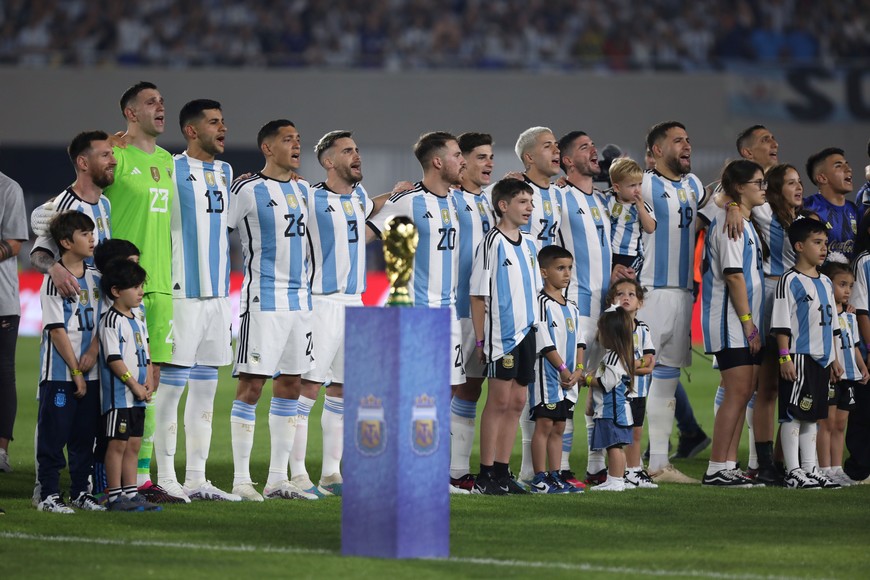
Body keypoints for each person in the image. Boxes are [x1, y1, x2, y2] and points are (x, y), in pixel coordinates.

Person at [152, 99, 239, 503]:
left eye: (223, 122)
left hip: (219, 297)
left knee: (206, 391)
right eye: (214, 123)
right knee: (170, 390)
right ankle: (165, 477)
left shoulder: (225, 171)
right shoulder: (169, 168)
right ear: (191, 130)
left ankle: (196, 478)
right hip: (181, 294)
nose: (223, 129)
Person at [227, 119, 317, 502]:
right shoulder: (248, 189)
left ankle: (278, 478)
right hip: (263, 300)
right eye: (287, 139)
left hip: (300, 303)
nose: (296, 145)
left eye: (298, 138)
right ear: (267, 148)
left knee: (292, 386)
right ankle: (241, 480)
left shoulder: (304, 190)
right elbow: (219, 231)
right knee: (252, 386)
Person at [103, 81, 177, 499]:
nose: (160, 107)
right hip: (121, 286)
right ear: (131, 113)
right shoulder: (113, 155)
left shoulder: (168, 160)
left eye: (162, 102)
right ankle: (106, 473)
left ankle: (143, 478)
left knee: (151, 384)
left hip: (160, 286)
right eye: (151, 102)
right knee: (117, 384)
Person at [293, 130, 374, 498]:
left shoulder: (358, 198)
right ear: (328, 162)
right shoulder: (308, 196)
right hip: (320, 302)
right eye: (347, 151)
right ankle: (295, 474)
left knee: (342, 391)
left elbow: (371, 212)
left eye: (356, 149)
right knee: (306, 389)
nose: (356, 155)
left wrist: (402, 190)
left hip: (355, 302)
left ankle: (331, 474)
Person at [366, 131, 467, 391]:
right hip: (415, 312)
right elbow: (361, 237)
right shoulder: (408, 201)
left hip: (449, 313)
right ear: (437, 162)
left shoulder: (457, 200)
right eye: (456, 155)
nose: (463, 161)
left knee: (449, 392)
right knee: (412, 394)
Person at [638, 121, 705, 484]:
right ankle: (612, 463)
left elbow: (717, 203)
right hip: (649, 291)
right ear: (657, 149)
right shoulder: (644, 184)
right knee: (633, 379)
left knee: (666, 380)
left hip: (682, 293)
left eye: (688, 139)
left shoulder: (694, 186)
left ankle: (659, 464)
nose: (687, 145)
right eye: (678, 140)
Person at [470, 177, 541, 495]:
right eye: (523, 202)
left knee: (518, 402)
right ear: (503, 205)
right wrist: (481, 340)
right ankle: (485, 475)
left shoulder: (529, 244)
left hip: (527, 333)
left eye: (531, 202)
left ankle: (502, 471)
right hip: (502, 336)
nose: (529, 208)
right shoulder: (492, 242)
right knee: (498, 401)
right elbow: (477, 295)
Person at [555, 130, 616, 487]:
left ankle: (595, 467)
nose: (593, 150)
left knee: (599, 388)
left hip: (603, 310)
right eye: (583, 147)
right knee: (565, 389)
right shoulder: (558, 196)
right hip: (574, 308)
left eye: (593, 145)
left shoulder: (604, 201)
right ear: (566, 161)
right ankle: (556, 467)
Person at [700, 160, 766, 487]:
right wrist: (749, 324)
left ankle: (727, 463)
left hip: (738, 322)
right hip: (730, 321)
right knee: (736, 391)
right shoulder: (732, 223)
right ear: (740, 187)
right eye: (758, 183)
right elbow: (734, 277)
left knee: (742, 392)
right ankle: (715, 467)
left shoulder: (745, 220)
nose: (763, 188)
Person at [35, 211, 104, 513]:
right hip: (61, 374)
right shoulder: (55, 281)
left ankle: (80, 492)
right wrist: (76, 368)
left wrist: (94, 351)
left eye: (92, 232)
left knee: (83, 437)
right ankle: (49, 494)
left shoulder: (97, 278)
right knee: (54, 435)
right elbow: (57, 329)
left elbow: (106, 321)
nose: (92, 238)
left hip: (91, 373)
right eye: (84, 233)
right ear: (65, 241)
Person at [772, 218, 843, 489]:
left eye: (825, 243)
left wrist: (834, 357)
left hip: (822, 357)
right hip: (799, 356)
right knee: (793, 414)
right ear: (799, 246)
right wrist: (784, 356)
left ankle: (811, 468)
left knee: (812, 415)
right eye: (817, 243)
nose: (823, 248)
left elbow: (833, 326)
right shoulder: (789, 281)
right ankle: (793, 471)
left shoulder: (825, 281)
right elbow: (781, 324)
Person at [750, 163, 805, 484]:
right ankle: (764, 462)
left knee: (793, 385)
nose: (798, 188)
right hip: (770, 299)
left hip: (797, 303)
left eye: (799, 182)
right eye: (790, 183)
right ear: (774, 188)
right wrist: (730, 206)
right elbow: (724, 194)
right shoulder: (764, 212)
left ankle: (789, 461)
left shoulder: (801, 222)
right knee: (768, 387)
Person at [449, 132, 496, 492]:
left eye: (490, 157)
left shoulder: (493, 202)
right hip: (451, 308)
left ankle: (457, 471)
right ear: (461, 162)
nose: (489, 163)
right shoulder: (445, 197)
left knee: (471, 390)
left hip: (482, 311)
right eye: (481, 157)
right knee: (441, 390)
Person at [99, 259, 161, 511]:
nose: (140, 292)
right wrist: (134, 384)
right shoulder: (111, 320)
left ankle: (130, 492)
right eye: (134, 287)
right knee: (118, 445)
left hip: (137, 394)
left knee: (134, 444)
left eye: (140, 286)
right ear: (116, 291)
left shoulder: (138, 318)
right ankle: (114, 496)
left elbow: (144, 351)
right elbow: (113, 358)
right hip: (119, 397)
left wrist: (147, 381)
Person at [529, 245, 585, 493]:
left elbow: (580, 341)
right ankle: (539, 478)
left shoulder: (572, 306)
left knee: (560, 427)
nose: (567, 273)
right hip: (548, 375)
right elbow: (544, 342)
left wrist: (579, 370)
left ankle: (555, 474)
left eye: (569, 268)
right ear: (543, 272)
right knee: (544, 425)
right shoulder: (540, 302)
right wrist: (562, 368)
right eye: (560, 268)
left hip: (569, 378)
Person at [30, 131, 116, 287]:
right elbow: (38, 254)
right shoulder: (63, 206)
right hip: (76, 302)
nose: (114, 161)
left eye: (112, 154)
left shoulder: (105, 202)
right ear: (83, 163)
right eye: (105, 155)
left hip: (102, 302)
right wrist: (55, 269)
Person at [817, 260, 867, 486]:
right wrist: (831, 364)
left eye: (850, 285)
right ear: (828, 285)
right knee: (826, 424)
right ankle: (823, 468)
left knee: (840, 424)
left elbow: (855, 345)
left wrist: (862, 367)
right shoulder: (825, 314)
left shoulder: (850, 315)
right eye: (842, 284)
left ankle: (837, 469)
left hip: (848, 376)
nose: (847, 290)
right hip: (831, 375)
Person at [607, 278, 658, 489]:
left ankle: (634, 471)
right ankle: (617, 473)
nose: (626, 298)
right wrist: (636, 364)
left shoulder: (643, 329)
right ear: (612, 300)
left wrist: (631, 364)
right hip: (619, 391)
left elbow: (650, 361)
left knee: (637, 431)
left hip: (639, 390)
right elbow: (614, 360)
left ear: (640, 303)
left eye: (631, 294)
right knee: (620, 432)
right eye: (620, 294)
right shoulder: (611, 326)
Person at [582, 305, 636, 492]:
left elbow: (608, 382)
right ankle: (616, 479)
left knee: (613, 446)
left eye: (601, 331)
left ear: (611, 335)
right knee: (616, 446)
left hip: (611, 411)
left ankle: (615, 480)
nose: (598, 335)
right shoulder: (618, 356)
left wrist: (587, 379)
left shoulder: (612, 358)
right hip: (616, 411)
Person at [0, 170, 27, 474]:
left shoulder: (8, 187)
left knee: (3, 373)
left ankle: (1, 450)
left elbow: (15, 243)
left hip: (1, 301)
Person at [803, 147, 858, 261]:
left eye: (846, 164)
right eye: (838, 165)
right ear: (822, 178)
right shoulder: (808, 207)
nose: (848, 169)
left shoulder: (854, 210)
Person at [514, 127, 563, 249]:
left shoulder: (559, 192)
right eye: (547, 146)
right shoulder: (512, 190)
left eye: (556, 145)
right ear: (530, 157)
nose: (556, 150)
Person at [608, 157, 656, 273]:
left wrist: (640, 208)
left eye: (640, 184)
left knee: (626, 285)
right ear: (616, 187)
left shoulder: (642, 205)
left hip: (631, 255)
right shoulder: (606, 198)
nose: (637, 190)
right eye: (632, 185)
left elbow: (650, 228)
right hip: (608, 253)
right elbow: (589, 192)